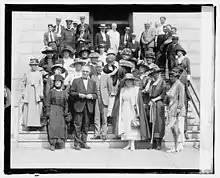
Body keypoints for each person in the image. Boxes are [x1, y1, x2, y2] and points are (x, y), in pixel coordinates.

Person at [118, 73, 151, 151]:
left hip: (133, 109)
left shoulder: (136, 89)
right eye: (127, 81)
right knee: (126, 126)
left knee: (132, 126)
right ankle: (128, 143)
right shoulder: (123, 90)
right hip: (125, 108)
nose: (128, 82)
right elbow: (121, 101)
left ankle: (132, 143)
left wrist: (137, 112)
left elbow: (138, 101)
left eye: (130, 80)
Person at [70, 65, 98, 150]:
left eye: (87, 71)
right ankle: (77, 143)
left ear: (89, 73)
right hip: (79, 105)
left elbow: (96, 94)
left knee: (86, 125)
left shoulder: (92, 82)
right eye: (84, 71)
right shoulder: (76, 81)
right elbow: (71, 93)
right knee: (78, 124)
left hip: (88, 106)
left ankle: (83, 142)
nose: (85, 73)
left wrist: (92, 96)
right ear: (81, 72)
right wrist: (78, 95)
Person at [111, 60, 135, 138]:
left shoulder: (127, 78)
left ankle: (121, 133)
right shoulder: (120, 77)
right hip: (119, 97)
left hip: (124, 98)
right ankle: (118, 133)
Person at [46, 74, 69, 151]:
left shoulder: (64, 92)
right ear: (54, 83)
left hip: (61, 111)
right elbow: (48, 103)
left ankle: (59, 142)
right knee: (53, 127)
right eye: (56, 82)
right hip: (53, 110)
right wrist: (48, 113)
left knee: (61, 127)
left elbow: (66, 104)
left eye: (59, 82)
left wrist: (65, 112)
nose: (57, 83)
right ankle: (52, 144)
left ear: (61, 83)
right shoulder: (51, 91)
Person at [166, 67, 186, 152]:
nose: (171, 78)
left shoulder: (180, 85)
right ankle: (176, 145)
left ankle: (179, 145)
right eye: (170, 76)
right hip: (172, 107)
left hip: (178, 108)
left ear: (177, 76)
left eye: (173, 76)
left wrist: (179, 108)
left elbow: (181, 97)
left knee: (179, 128)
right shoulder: (174, 85)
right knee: (174, 127)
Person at [91, 61, 113, 140]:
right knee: (97, 117)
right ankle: (97, 134)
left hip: (104, 99)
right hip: (96, 98)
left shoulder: (107, 76)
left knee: (104, 117)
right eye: (97, 67)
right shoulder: (93, 77)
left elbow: (110, 89)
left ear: (103, 67)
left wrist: (106, 96)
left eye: (100, 67)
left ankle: (104, 133)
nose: (98, 68)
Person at [148, 64, 166, 150]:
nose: (154, 75)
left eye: (155, 73)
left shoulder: (162, 82)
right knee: (152, 121)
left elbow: (163, 94)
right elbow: (148, 91)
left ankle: (159, 141)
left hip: (158, 103)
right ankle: (153, 140)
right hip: (152, 102)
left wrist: (155, 99)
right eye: (153, 74)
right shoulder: (151, 82)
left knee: (159, 122)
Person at [22, 58, 44, 127]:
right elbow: (23, 83)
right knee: (28, 107)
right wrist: (23, 92)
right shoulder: (27, 73)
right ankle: (28, 123)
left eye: (35, 65)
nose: (33, 66)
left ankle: (36, 123)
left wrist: (41, 93)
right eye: (32, 65)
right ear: (30, 66)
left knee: (36, 107)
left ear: (37, 65)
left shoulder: (39, 73)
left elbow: (41, 84)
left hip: (36, 91)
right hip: (29, 91)